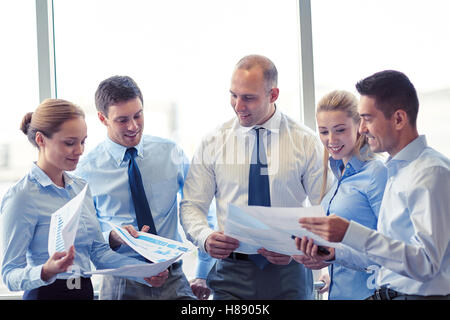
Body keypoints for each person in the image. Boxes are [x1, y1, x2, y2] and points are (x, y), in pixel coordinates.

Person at [180, 54, 331, 300]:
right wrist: (205, 237)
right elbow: (191, 206)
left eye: (248, 98)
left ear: (273, 95)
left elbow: (326, 210)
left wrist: (297, 247)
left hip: (290, 270)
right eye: (233, 95)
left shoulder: (305, 142)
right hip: (230, 272)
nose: (238, 105)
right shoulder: (213, 142)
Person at [300, 70, 450, 300]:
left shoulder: (431, 173)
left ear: (399, 119)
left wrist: (350, 232)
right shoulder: (397, 171)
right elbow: (384, 256)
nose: (361, 129)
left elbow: (426, 264)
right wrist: (335, 253)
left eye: (368, 119)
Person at [0, 99, 168, 300]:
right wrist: (46, 271)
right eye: (69, 143)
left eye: (82, 141)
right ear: (41, 140)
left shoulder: (81, 188)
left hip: (84, 293)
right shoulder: (22, 196)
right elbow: (10, 274)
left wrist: (145, 273)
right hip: (45, 294)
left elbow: (99, 253)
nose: (79, 150)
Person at [74, 75, 209, 300]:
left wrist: (203, 272)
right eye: (122, 120)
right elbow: (84, 238)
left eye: (138, 115)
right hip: (122, 283)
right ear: (102, 118)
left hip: (173, 278)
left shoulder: (171, 153)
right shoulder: (85, 170)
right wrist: (113, 237)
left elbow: (200, 209)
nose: (133, 126)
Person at [292, 90, 387, 299]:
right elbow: (341, 247)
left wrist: (335, 254)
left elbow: (393, 250)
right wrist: (324, 260)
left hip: (369, 294)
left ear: (360, 127)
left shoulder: (376, 173)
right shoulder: (335, 176)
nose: (331, 139)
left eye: (340, 130)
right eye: (324, 131)